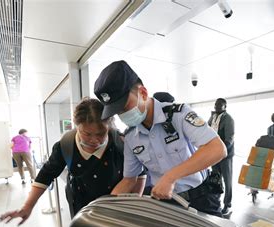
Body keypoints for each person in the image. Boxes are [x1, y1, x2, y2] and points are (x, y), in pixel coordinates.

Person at [94, 60, 227, 217]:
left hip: (201, 199)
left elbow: (217, 149)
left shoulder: (179, 114)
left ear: (143, 93)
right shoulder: (131, 137)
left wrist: (171, 177)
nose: (123, 115)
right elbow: (129, 179)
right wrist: (106, 207)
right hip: (167, 205)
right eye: (118, 112)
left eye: (125, 107)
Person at [0, 97, 144, 225]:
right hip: (81, 203)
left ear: (109, 126)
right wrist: (27, 207)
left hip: (117, 204)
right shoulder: (66, 145)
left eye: (100, 134)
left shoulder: (121, 143)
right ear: (76, 125)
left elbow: (140, 173)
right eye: (86, 134)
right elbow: (45, 176)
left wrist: (133, 205)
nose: (94, 140)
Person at [208, 98, 234, 218]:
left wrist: (222, 150)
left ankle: (227, 204)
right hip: (214, 154)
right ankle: (216, 200)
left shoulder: (228, 119)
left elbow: (229, 139)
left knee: (227, 180)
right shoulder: (212, 118)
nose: (217, 106)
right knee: (216, 178)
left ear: (225, 106)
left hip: (225, 155)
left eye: (220, 105)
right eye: (216, 104)